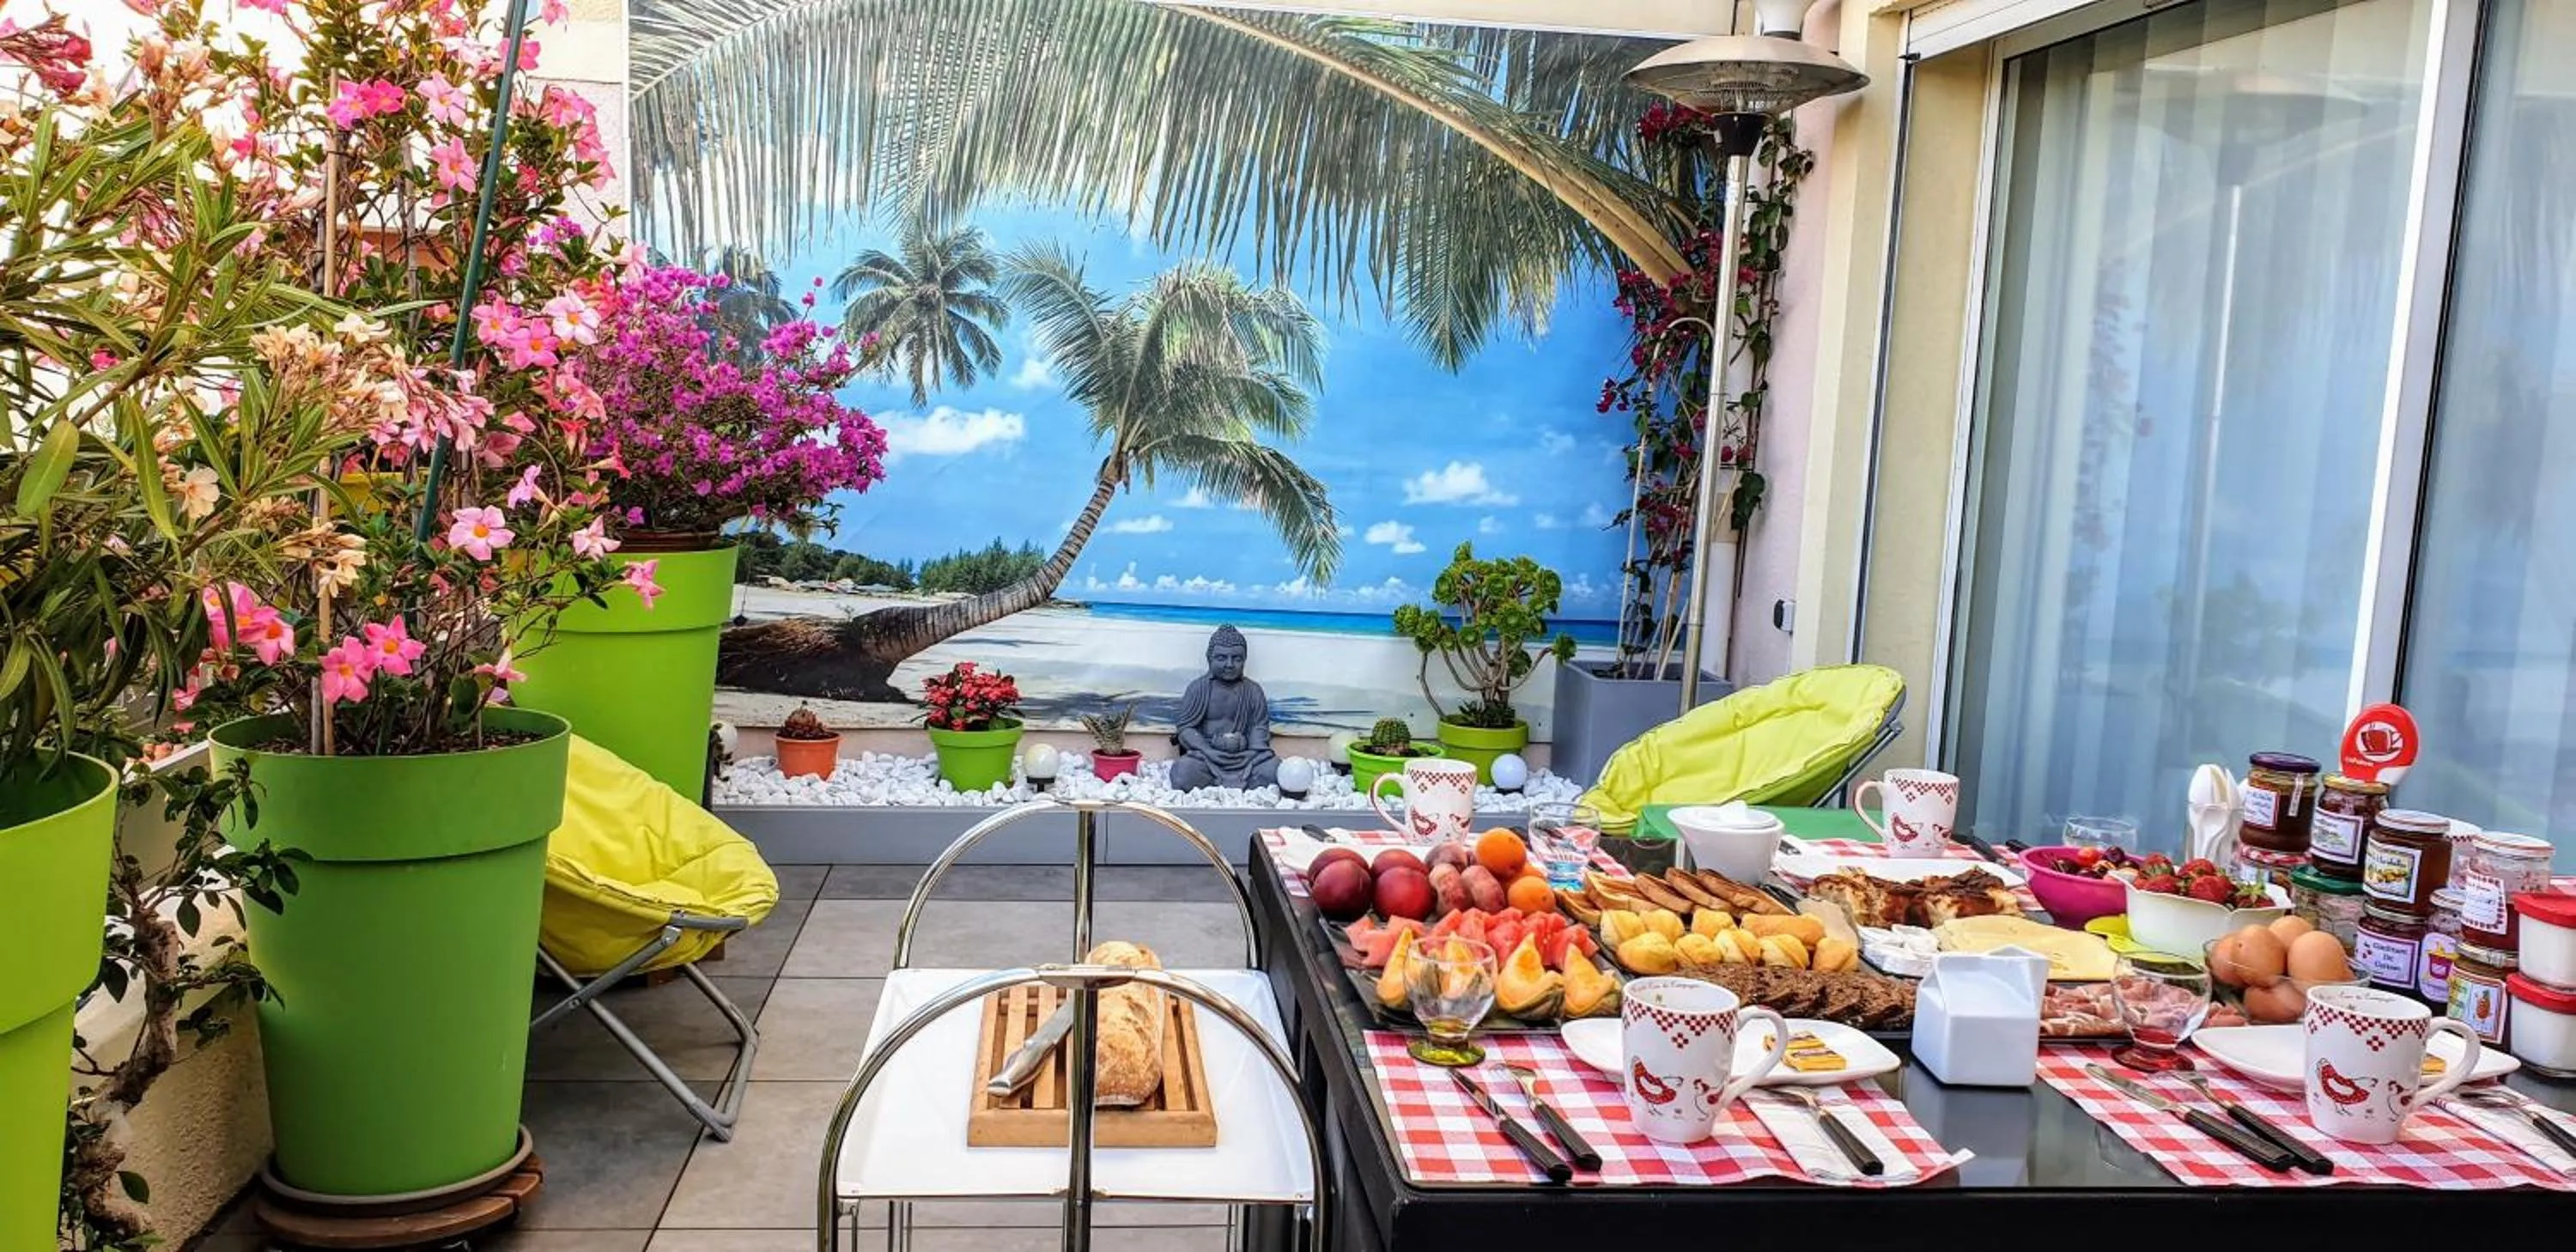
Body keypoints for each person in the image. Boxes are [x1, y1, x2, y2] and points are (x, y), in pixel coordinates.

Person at [1169, 624, 1279, 791]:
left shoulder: (1253, 690)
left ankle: (1224, 783)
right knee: (1182, 773)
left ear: (1244, 660)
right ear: (1209, 658)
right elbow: (1186, 728)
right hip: (1207, 756)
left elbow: (1259, 726)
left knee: (1275, 770)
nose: (1229, 664)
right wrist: (1207, 750)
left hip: (1245, 756)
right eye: (1221, 658)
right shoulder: (1199, 689)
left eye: (1237, 659)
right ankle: (1232, 784)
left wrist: (1253, 750)